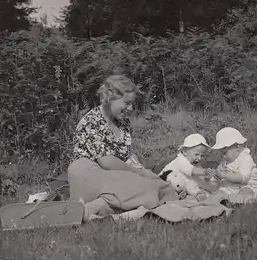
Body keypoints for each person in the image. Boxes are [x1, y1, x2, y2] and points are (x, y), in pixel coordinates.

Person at [67, 74, 178, 222]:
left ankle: (95, 208)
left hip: (113, 174)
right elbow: (107, 162)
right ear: (110, 98)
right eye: (127, 103)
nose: (130, 108)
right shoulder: (92, 121)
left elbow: (128, 158)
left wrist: (146, 173)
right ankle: (91, 208)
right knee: (143, 187)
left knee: (158, 185)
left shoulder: (123, 123)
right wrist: (139, 172)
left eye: (132, 103)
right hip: (87, 172)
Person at [159, 133, 218, 201]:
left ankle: (198, 195)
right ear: (184, 152)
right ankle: (186, 195)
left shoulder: (195, 163)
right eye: (196, 154)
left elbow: (199, 175)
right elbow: (191, 170)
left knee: (195, 183)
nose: (199, 158)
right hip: (166, 182)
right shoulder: (181, 160)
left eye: (202, 156)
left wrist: (207, 177)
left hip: (181, 185)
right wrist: (204, 172)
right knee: (186, 181)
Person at [211, 127, 257, 196]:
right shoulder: (224, 161)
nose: (223, 156)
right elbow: (220, 172)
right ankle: (210, 201)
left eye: (225, 153)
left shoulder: (245, 158)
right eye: (221, 153)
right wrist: (216, 175)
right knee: (220, 192)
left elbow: (243, 178)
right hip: (230, 189)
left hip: (247, 186)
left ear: (237, 146)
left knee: (246, 192)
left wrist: (224, 174)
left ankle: (238, 201)